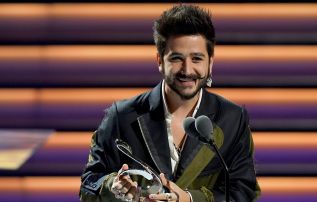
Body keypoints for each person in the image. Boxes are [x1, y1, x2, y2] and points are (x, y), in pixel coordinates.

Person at [80, 4, 260, 202]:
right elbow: (89, 184)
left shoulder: (233, 119)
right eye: (176, 58)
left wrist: (190, 199)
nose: (187, 70)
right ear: (159, 60)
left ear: (211, 62)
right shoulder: (121, 116)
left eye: (197, 58)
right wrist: (112, 186)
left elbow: (244, 191)